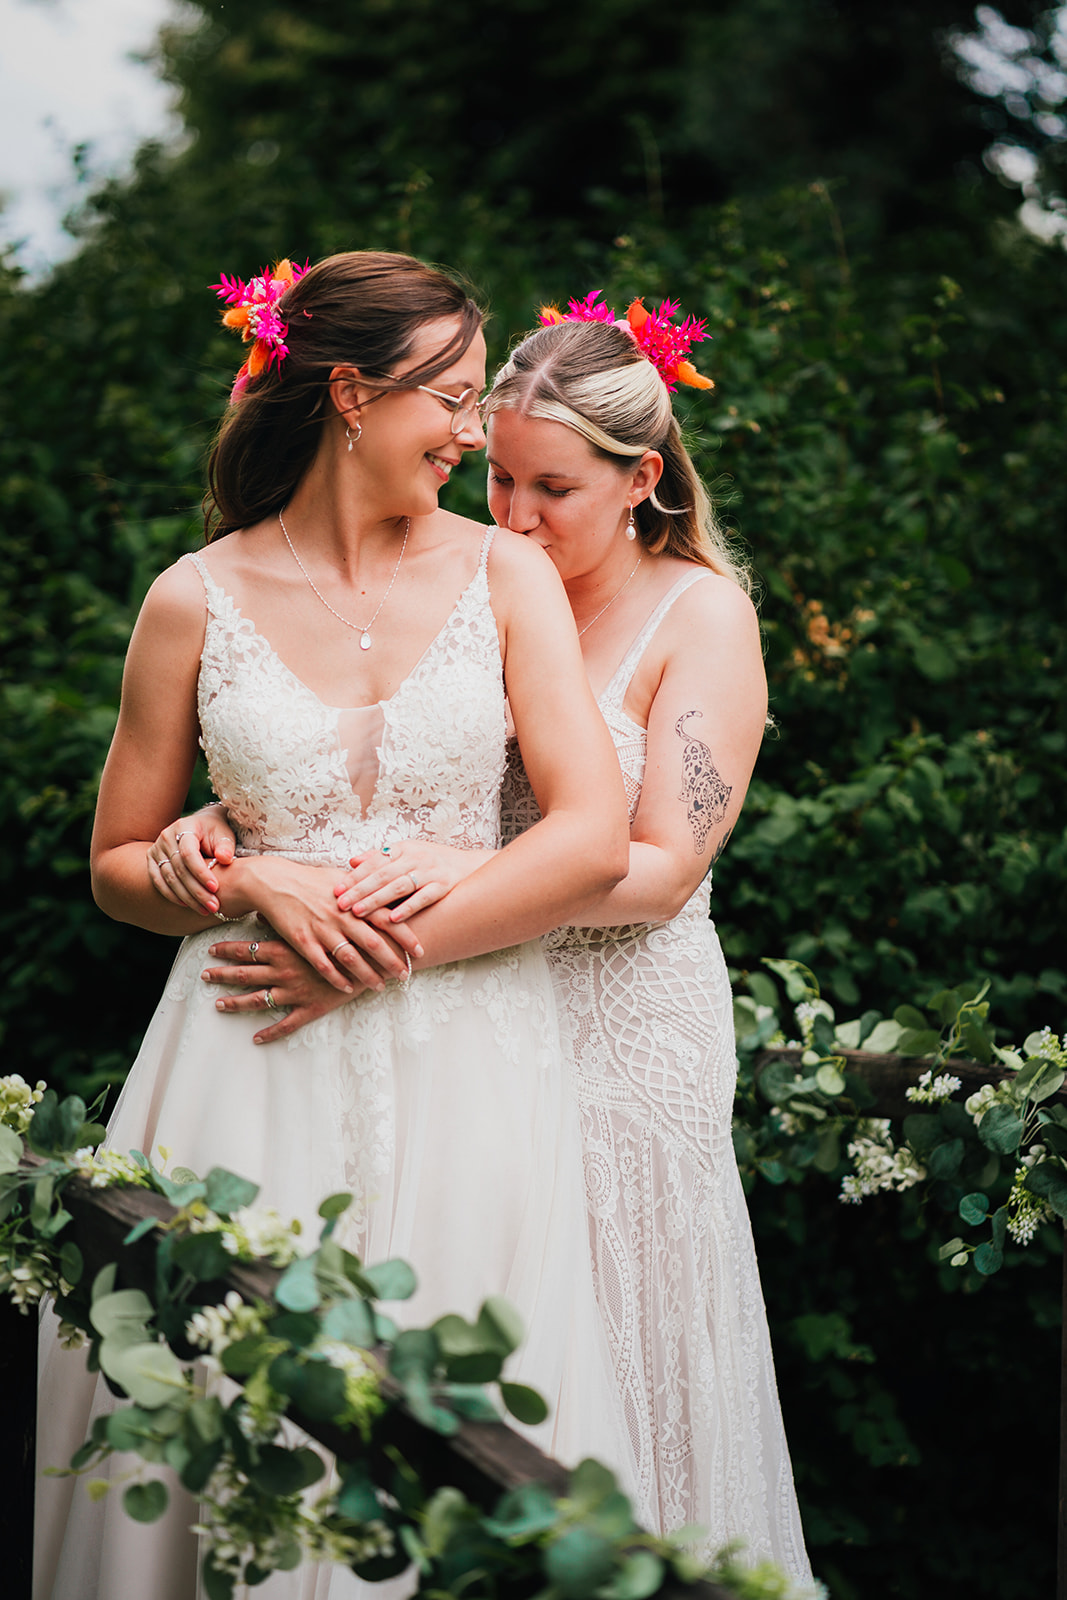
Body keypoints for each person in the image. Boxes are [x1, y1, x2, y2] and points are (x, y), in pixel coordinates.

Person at [152, 293, 814, 1584]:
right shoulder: (489, 585)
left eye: (550, 487)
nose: (511, 512)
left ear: (643, 480)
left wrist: (463, 888)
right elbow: (375, 763)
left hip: (626, 1031)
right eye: (497, 474)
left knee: (626, 1352)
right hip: (474, 1028)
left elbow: (663, 871)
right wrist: (227, 832)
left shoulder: (702, 619)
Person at [34, 254, 641, 1600]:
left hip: (477, 1060)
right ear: (354, 396)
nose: (475, 434)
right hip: (243, 1068)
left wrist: (392, 948)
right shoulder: (195, 596)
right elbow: (118, 865)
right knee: (230, 1422)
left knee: (480, 1422)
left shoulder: (508, 578)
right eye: (453, 398)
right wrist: (246, 881)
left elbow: (591, 834)